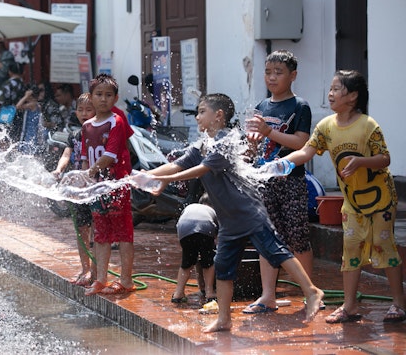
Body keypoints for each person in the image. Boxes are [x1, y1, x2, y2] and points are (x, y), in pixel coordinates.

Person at [146, 93, 323, 333]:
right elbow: (178, 164)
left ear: (218, 116)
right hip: (228, 219)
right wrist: (151, 176)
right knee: (223, 266)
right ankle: (224, 318)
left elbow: (200, 170)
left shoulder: (227, 142)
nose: (197, 117)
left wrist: (166, 179)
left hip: (248, 212)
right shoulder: (202, 145)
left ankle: (312, 291)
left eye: (201, 111)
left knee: (275, 251)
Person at [280, 70, 405, 324]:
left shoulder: (368, 125)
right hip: (352, 202)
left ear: (353, 96)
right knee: (350, 251)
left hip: (381, 201)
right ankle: (349, 307)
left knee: (385, 248)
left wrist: (360, 162)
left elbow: (385, 158)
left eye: (337, 89)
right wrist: (280, 165)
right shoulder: (326, 126)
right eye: (331, 88)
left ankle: (399, 304)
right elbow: (306, 152)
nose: (330, 93)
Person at [243, 49, 316, 314]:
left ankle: (309, 294)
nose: (272, 78)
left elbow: (301, 143)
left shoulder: (300, 106)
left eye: (279, 72)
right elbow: (255, 143)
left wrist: (269, 132)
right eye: (268, 72)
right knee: (267, 238)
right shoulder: (263, 106)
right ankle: (267, 295)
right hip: (265, 181)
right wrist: (252, 144)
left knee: (297, 238)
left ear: (293, 76)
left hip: (291, 182)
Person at [81, 74, 135, 296]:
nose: (103, 99)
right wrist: (85, 179)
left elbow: (110, 155)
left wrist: (89, 173)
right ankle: (101, 278)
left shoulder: (117, 121)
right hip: (97, 188)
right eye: (99, 95)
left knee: (122, 233)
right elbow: (85, 156)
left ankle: (126, 280)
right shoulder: (86, 126)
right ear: (91, 97)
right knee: (101, 233)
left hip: (116, 185)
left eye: (108, 95)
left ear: (116, 98)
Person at [52, 93, 97, 286]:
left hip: (95, 189)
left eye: (88, 109)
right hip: (78, 191)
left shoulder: (98, 133)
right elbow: (66, 154)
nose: (84, 113)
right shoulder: (75, 136)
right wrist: (59, 169)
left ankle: (95, 273)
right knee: (81, 230)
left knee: (97, 233)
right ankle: (85, 269)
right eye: (80, 110)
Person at [171, 193, 218, 305]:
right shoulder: (214, 211)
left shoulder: (191, 206)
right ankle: (209, 292)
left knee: (187, 262)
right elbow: (218, 237)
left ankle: (178, 293)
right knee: (208, 262)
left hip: (184, 228)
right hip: (205, 226)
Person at [15, 84, 45, 155]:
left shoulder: (33, 104)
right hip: (30, 132)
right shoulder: (36, 104)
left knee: (27, 151)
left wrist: (26, 96)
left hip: (30, 133)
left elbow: (17, 106)